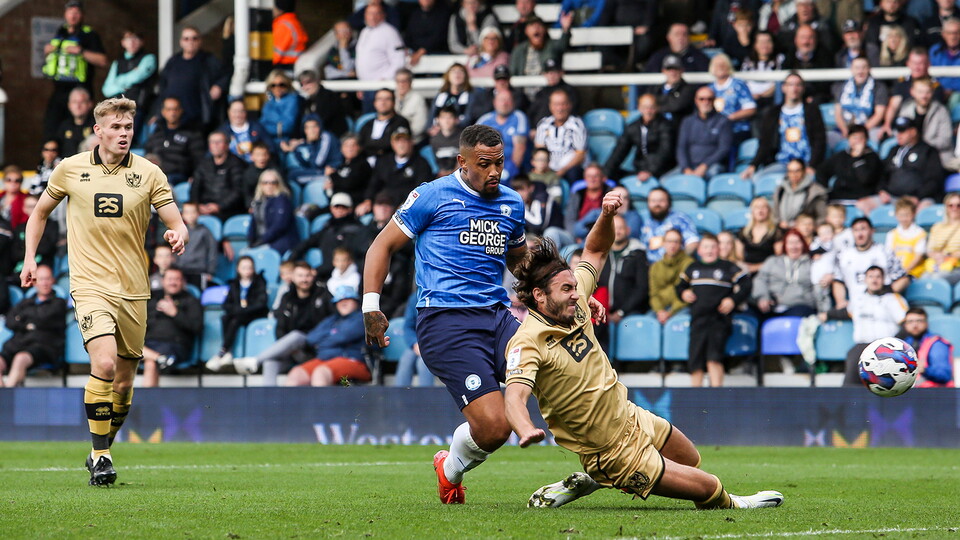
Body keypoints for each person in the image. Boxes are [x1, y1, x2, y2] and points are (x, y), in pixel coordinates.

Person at [361, 125, 544, 504]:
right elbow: (381, 246)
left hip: (497, 316)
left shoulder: (511, 202)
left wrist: (564, 292)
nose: (494, 172)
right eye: (484, 164)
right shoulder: (432, 195)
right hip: (446, 322)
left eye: (500, 163)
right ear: (462, 162)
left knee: (558, 374)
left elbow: (520, 261)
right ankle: (449, 469)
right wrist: (371, 307)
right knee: (494, 428)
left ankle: (609, 463)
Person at [20, 97, 188, 486]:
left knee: (125, 383)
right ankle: (101, 456)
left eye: (128, 127)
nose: (123, 133)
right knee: (106, 364)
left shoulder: (148, 173)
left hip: (134, 288)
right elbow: (39, 213)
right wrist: (31, 258)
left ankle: (101, 447)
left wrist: (178, 233)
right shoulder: (70, 168)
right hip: (90, 285)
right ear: (98, 131)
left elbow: (176, 219)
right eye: (115, 127)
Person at [225, 262, 331, 382]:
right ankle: (268, 399)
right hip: (292, 351)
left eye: (307, 276)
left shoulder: (323, 295)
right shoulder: (287, 297)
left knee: (296, 335)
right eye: (300, 276)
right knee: (270, 363)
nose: (304, 279)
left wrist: (308, 343)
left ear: (312, 276)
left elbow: (330, 323)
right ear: (293, 278)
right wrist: (289, 348)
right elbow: (280, 327)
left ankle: (255, 361)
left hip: (313, 349)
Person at [677, 233, 752, 387]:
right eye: (705, 247)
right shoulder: (693, 267)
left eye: (713, 247)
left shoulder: (728, 267)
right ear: (699, 250)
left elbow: (746, 283)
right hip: (698, 319)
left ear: (719, 249)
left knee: (714, 357)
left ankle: (716, 394)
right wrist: (684, 293)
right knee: (695, 359)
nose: (709, 250)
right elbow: (680, 286)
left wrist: (733, 299)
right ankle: (695, 396)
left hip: (719, 320)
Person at [820, 265, 908, 386]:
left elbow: (906, 323)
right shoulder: (858, 299)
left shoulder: (893, 299)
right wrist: (828, 314)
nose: (874, 280)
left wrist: (892, 345)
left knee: (883, 384)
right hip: (862, 346)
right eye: (871, 277)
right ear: (865, 280)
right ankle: (847, 401)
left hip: (885, 348)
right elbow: (847, 312)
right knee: (852, 367)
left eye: (878, 277)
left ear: (883, 280)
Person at [41, 0, 107, 140]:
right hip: (59, 91)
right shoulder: (61, 32)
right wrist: (48, 51)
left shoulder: (89, 34)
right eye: (70, 12)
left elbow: (102, 60)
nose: (73, 15)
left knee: (80, 129)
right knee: (52, 127)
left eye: (76, 12)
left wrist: (81, 51)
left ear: (82, 15)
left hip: (80, 91)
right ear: (65, 14)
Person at [741, 71, 825, 179]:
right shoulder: (773, 113)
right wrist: (753, 165)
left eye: (798, 85)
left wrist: (813, 166)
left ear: (803, 88)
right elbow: (765, 143)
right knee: (758, 179)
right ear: (783, 88)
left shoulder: (812, 110)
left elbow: (820, 141)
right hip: (781, 163)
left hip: (805, 164)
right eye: (790, 84)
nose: (794, 88)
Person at [286, 285, 369, 387]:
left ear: (356, 301)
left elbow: (342, 337)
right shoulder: (332, 320)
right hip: (325, 359)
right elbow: (311, 338)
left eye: (347, 299)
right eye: (339, 300)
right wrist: (332, 333)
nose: (343, 302)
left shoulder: (362, 318)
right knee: (296, 374)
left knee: (320, 373)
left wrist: (324, 340)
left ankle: (321, 403)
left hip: (353, 360)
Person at [0, 265, 67, 388]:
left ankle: (8, 390)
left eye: (47, 279)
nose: (45, 283)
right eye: (41, 279)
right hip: (18, 344)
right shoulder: (26, 302)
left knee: (20, 359)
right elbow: (9, 321)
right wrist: (28, 324)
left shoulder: (58, 303)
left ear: (53, 280)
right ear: (35, 282)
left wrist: (22, 319)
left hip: (43, 348)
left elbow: (43, 319)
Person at [140, 267, 202, 388]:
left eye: (177, 279)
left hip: (176, 345)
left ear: (183, 282)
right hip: (149, 344)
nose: (173, 282)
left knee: (150, 363)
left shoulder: (191, 301)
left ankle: (159, 359)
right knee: (124, 346)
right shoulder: (152, 300)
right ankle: (161, 358)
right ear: (163, 281)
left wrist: (175, 313)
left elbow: (197, 327)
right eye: (170, 279)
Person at [156, 26, 227, 130]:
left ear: (200, 41)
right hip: (172, 117)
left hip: (197, 117)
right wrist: (158, 112)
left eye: (195, 38)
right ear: (181, 42)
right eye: (186, 38)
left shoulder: (208, 60)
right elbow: (162, 86)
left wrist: (219, 86)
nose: (190, 42)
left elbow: (226, 74)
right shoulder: (173, 61)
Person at [206, 255, 269, 369]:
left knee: (235, 319)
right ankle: (228, 352)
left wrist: (243, 310)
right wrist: (238, 310)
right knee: (225, 318)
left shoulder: (259, 282)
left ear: (253, 269)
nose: (247, 270)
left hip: (253, 314)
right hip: (238, 314)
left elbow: (261, 303)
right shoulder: (234, 284)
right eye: (244, 267)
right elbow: (226, 304)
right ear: (238, 269)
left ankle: (223, 351)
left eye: (249, 267)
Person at [832, 217, 909, 311]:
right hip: (857, 308)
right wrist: (841, 302)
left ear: (872, 231)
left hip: (882, 307)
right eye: (856, 230)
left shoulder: (885, 252)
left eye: (863, 229)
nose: (859, 234)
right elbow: (838, 281)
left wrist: (886, 292)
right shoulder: (843, 255)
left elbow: (904, 279)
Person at [290, 193, 372, 279]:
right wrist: (291, 260)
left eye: (344, 207)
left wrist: (317, 271)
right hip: (325, 275)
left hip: (348, 275)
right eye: (337, 207)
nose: (340, 210)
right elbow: (307, 243)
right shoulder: (327, 228)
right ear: (331, 208)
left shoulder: (357, 230)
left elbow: (356, 257)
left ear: (350, 209)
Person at [604, 94, 674, 182]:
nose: (648, 111)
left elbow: (665, 151)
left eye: (651, 107)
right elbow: (620, 150)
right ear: (639, 108)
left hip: (663, 169)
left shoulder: (665, 126)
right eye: (644, 107)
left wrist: (650, 171)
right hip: (640, 168)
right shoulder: (633, 127)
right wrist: (606, 172)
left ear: (657, 108)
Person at [362, 128, 434, 212]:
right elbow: (374, 183)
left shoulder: (421, 163)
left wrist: (406, 204)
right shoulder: (383, 161)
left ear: (411, 142)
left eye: (405, 141)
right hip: (384, 203)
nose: (401, 144)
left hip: (408, 206)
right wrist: (368, 200)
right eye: (398, 141)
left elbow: (422, 190)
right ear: (392, 143)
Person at [815, 124, 885, 211]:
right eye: (854, 137)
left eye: (861, 138)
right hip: (838, 196)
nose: (857, 141)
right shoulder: (841, 155)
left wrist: (857, 158)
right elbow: (822, 171)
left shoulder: (872, 157)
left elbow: (865, 179)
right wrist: (824, 188)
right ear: (848, 139)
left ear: (866, 140)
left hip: (861, 198)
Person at [881, 116, 946, 209]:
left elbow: (934, 180)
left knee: (925, 209)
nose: (898, 135)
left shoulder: (928, 151)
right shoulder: (893, 150)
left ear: (913, 132)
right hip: (892, 197)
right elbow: (882, 174)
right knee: (864, 204)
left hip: (919, 198)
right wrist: (882, 190)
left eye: (902, 131)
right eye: (897, 131)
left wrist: (917, 197)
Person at [882, 47, 947, 137]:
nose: (917, 67)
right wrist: (887, 124)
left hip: (929, 132)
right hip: (903, 129)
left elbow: (936, 114)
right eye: (914, 63)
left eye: (920, 63)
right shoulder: (902, 83)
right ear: (908, 64)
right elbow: (893, 105)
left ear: (928, 64)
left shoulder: (935, 86)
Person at [752, 229, 817, 318]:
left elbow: (818, 286)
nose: (794, 247)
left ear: (803, 244)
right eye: (790, 243)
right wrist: (763, 297)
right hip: (772, 305)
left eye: (797, 242)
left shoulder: (811, 264)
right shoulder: (773, 261)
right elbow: (760, 279)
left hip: (800, 305)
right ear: (785, 245)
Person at [102, 29, 156, 130]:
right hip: (118, 109)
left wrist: (118, 81)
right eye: (128, 39)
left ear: (142, 41)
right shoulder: (117, 62)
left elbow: (137, 77)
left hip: (139, 108)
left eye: (135, 38)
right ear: (123, 43)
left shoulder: (148, 58)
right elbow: (107, 89)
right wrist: (127, 83)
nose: (132, 42)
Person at [144, 97, 205, 185]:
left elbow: (199, 160)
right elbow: (148, 154)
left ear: (181, 111)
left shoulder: (191, 134)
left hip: (178, 176)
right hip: (156, 174)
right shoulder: (156, 134)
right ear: (163, 112)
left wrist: (195, 176)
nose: (172, 113)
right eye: (169, 110)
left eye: (175, 109)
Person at [675, 86, 732, 180]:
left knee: (711, 175)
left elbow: (724, 149)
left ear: (714, 100)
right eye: (702, 99)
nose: (706, 102)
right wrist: (686, 168)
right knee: (666, 180)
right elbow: (681, 147)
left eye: (709, 99)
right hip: (689, 166)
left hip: (712, 166)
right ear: (696, 100)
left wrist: (705, 165)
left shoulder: (723, 121)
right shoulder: (687, 121)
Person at [897, 77, 955, 165]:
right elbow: (900, 135)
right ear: (912, 92)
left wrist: (921, 146)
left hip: (937, 157)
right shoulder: (906, 109)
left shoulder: (941, 111)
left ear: (932, 92)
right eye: (920, 92)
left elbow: (945, 140)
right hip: (911, 156)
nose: (924, 96)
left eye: (927, 92)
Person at [831, 57, 888, 146]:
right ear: (851, 69)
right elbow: (838, 113)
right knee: (830, 138)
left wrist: (859, 132)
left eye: (864, 67)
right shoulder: (841, 87)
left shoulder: (879, 87)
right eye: (857, 68)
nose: (860, 71)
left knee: (875, 136)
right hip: (845, 128)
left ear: (869, 69)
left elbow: (879, 114)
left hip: (869, 128)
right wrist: (845, 130)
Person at [191, 131, 247, 221]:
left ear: (227, 145)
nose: (215, 145)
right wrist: (197, 205)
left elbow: (238, 191)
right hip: (203, 209)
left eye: (219, 142)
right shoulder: (203, 164)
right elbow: (195, 188)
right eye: (212, 142)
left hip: (228, 211)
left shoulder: (237, 164)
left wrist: (219, 206)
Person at [533, 90, 586, 182]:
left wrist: (562, 171)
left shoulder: (577, 124)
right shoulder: (543, 124)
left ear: (569, 105)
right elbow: (539, 150)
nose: (559, 108)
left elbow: (580, 155)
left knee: (574, 172)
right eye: (556, 104)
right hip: (547, 167)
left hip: (569, 169)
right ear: (550, 106)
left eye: (563, 104)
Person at [477, 91, 530, 179]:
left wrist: (510, 171)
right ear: (495, 102)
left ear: (513, 102)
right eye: (501, 100)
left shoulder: (519, 117)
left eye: (508, 100)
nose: (504, 103)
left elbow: (520, 148)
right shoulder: (484, 120)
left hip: (512, 168)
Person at [708, 54, 756, 147]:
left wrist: (728, 119)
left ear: (729, 66)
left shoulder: (738, 85)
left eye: (723, 64)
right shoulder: (710, 88)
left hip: (736, 129)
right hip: (714, 130)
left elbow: (751, 109)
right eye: (717, 65)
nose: (720, 67)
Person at [639, 188, 699, 262]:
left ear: (669, 202)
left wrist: (679, 261)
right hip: (649, 267)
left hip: (675, 265)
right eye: (653, 201)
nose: (657, 204)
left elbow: (692, 242)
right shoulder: (645, 221)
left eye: (661, 200)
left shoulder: (680, 219)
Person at [248, 169, 299, 256]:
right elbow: (253, 224)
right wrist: (251, 242)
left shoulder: (282, 200)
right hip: (263, 241)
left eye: (273, 183)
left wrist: (262, 241)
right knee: (244, 254)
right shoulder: (257, 202)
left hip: (280, 242)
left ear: (278, 184)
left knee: (254, 254)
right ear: (260, 185)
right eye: (265, 183)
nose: (269, 186)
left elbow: (280, 226)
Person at [899, 307, 955, 387]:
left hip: (937, 394)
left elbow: (944, 375)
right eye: (910, 321)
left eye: (919, 321)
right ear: (905, 325)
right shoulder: (905, 343)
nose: (915, 325)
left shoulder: (937, 343)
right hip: (914, 393)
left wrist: (924, 369)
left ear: (926, 323)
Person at [648, 229, 693, 323]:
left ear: (681, 244)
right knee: (647, 323)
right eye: (669, 241)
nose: (672, 245)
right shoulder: (655, 267)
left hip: (680, 307)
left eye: (676, 242)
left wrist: (671, 312)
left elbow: (688, 292)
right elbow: (654, 294)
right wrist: (659, 311)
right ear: (663, 243)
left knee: (676, 322)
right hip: (660, 308)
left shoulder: (689, 264)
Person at [283, 115, 343, 184]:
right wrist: (295, 149)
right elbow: (306, 164)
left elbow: (317, 162)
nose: (311, 131)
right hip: (320, 170)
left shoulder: (326, 137)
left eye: (314, 127)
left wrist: (309, 143)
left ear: (320, 127)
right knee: (291, 173)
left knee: (292, 175)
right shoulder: (311, 142)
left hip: (332, 171)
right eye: (307, 128)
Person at [355, 3, 406, 83]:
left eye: (376, 13)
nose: (372, 17)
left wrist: (385, 78)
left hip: (382, 86)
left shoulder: (390, 32)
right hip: (364, 84)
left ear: (383, 15)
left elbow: (399, 60)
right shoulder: (364, 31)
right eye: (370, 13)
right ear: (365, 15)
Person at [394, 290, 434, 387]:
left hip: (438, 344)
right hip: (419, 344)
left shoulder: (443, 295)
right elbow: (408, 326)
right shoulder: (415, 297)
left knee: (423, 362)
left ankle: (426, 399)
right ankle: (399, 398)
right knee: (406, 359)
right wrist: (414, 344)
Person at [772, 158, 828, 228]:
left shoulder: (816, 192)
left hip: (805, 233)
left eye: (797, 171)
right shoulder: (780, 190)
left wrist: (807, 227)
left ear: (804, 171)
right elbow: (775, 215)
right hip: (782, 230)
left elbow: (821, 217)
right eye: (790, 171)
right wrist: (780, 223)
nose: (794, 174)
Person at [358, 88, 412, 160]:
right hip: (366, 164)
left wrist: (371, 146)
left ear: (393, 103)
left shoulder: (401, 122)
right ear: (374, 103)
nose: (383, 102)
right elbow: (360, 146)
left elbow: (393, 145)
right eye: (379, 99)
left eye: (387, 99)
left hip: (389, 164)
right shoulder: (367, 125)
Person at [740, 32, 786, 114]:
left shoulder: (780, 59)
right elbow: (742, 82)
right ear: (755, 45)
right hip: (750, 100)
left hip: (771, 100)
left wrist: (762, 95)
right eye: (761, 42)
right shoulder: (747, 61)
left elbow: (779, 83)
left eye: (768, 41)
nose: (765, 45)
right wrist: (750, 96)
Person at [175, 202, 218, 289]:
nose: (190, 215)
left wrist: (210, 271)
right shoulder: (179, 231)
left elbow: (212, 250)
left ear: (198, 214)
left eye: (193, 212)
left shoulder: (205, 231)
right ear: (182, 215)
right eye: (187, 212)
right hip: (182, 270)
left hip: (199, 271)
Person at [738, 197, 783, 274]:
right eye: (757, 207)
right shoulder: (743, 232)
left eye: (763, 207)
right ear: (752, 211)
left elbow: (778, 258)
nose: (760, 210)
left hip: (769, 271)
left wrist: (756, 267)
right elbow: (739, 257)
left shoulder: (776, 231)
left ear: (768, 210)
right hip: (747, 271)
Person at [298, 70, 349, 137]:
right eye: (302, 84)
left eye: (308, 82)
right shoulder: (307, 102)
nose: (305, 87)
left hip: (333, 136)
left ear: (317, 81)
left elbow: (324, 120)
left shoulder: (330, 97)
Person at [652, 54, 697, 130]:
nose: (672, 72)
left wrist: (657, 107)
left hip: (680, 128)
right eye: (669, 69)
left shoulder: (688, 88)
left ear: (682, 70)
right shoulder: (656, 88)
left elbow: (676, 106)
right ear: (663, 71)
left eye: (676, 69)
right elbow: (649, 103)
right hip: (659, 129)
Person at [325, 134, 372, 206]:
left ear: (359, 148)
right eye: (346, 145)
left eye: (353, 145)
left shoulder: (363, 165)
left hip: (353, 204)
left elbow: (348, 184)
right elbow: (337, 185)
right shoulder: (341, 166)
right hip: (337, 203)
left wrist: (332, 175)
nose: (350, 148)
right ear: (341, 149)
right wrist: (329, 187)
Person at [221, 99, 273, 164]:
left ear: (246, 112)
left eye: (241, 111)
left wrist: (259, 155)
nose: (238, 115)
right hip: (231, 167)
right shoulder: (222, 131)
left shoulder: (257, 127)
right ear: (228, 112)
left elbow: (271, 147)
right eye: (234, 111)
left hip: (255, 166)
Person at [886, 198, 927, 278]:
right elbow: (889, 255)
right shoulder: (891, 234)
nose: (904, 218)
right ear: (896, 215)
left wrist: (904, 271)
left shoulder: (920, 233)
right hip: (895, 273)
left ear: (913, 214)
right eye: (901, 215)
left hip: (914, 273)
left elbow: (918, 256)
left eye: (907, 215)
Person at [260, 70, 301, 149]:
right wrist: (278, 124)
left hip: (287, 141)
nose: (277, 88)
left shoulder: (293, 99)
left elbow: (287, 127)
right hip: (269, 141)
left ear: (287, 85)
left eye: (281, 85)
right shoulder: (268, 103)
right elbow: (261, 126)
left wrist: (269, 124)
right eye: (273, 85)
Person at [645, 23, 710, 72]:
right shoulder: (658, 56)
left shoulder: (699, 56)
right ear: (668, 37)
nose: (681, 38)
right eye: (677, 34)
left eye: (684, 34)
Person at [924, 192, 960, 278]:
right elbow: (929, 249)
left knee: (938, 277)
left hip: (956, 266)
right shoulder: (937, 227)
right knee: (923, 279)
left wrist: (947, 256)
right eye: (950, 205)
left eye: (958, 205)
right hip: (936, 264)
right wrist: (936, 257)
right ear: (946, 207)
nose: (954, 208)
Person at [54, 86, 95, 158]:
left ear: (90, 104)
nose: (78, 106)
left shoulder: (97, 126)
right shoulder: (64, 126)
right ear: (69, 105)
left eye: (82, 102)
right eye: (74, 102)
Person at [394, 69, 429, 144]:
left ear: (410, 82)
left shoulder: (418, 99)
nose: (401, 84)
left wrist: (403, 136)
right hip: (393, 140)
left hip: (412, 141)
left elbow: (420, 126)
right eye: (398, 81)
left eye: (404, 81)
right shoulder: (391, 98)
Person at [272, 0, 307, 69]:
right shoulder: (292, 21)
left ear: (280, 10)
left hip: (285, 67)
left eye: (274, 7)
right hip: (292, 66)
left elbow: (275, 55)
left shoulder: (283, 26)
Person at [431, 107, 465, 176]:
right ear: (437, 120)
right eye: (443, 118)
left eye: (449, 117)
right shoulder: (434, 140)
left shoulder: (463, 138)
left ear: (456, 120)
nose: (446, 121)